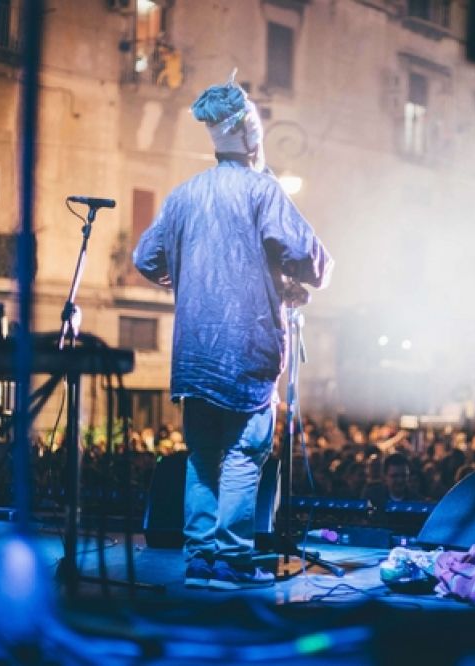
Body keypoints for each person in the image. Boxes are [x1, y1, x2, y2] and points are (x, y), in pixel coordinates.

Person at [133, 71, 333, 589]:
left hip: (194, 352)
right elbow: (309, 258)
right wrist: (296, 279)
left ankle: (200, 559)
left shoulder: (182, 195)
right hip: (247, 349)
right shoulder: (261, 190)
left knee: (202, 455)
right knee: (245, 452)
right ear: (250, 134)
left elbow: (144, 258)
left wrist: (186, 278)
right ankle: (232, 559)